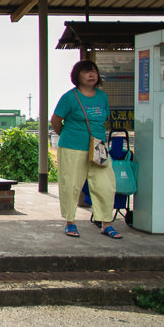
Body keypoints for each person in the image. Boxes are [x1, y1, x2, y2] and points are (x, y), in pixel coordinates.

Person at [50, 60, 122, 239]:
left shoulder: (102, 96)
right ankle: (70, 222)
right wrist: (68, 135)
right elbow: (56, 121)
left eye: (94, 72)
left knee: (105, 185)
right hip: (72, 146)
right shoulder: (69, 97)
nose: (92, 75)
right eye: (86, 72)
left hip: (98, 147)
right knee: (71, 184)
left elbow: (102, 118)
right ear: (77, 76)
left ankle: (106, 223)